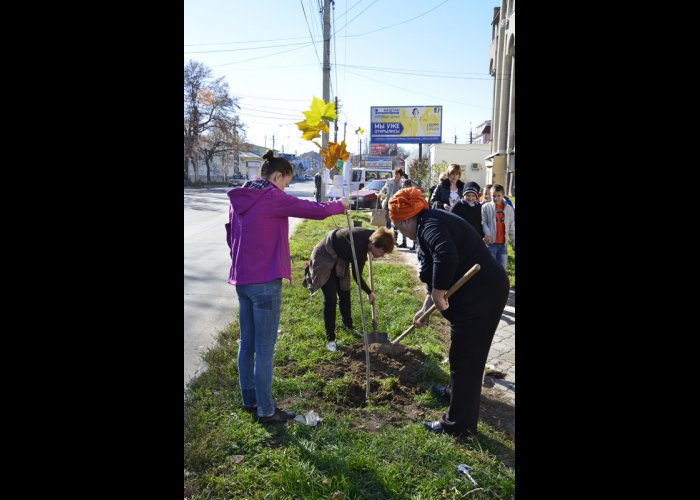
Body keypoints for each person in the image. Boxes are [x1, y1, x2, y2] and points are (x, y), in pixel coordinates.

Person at [225, 151, 348, 424]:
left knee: (247, 344)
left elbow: (230, 235)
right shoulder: (271, 196)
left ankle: (250, 400)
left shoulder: (240, 198)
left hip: (242, 280)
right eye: (286, 183)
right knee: (265, 350)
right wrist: (341, 205)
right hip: (265, 282)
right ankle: (266, 410)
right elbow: (312, 210)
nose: (286, 189)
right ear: (277, 176)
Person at [388, 187, 509, 437]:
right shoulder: (429, 223)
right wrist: (426, 306)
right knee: (462, 353)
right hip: (476, 295)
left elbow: (445, 255)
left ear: (409, 218)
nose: (402, 233)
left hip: (482, 296)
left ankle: (458, 425)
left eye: (400, 226)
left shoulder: (429, 224)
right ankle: (455, 394)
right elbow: (435, 268)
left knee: (467, 358)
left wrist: (438, 293)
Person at [303, 227, 395, 351]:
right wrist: (369, 292)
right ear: (373, 244)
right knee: (330, 299)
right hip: (325, 254)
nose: (382, 255)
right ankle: (330, 339)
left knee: (344, 291)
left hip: (341, 257)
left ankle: (348, 325)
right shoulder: (359, 248)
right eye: (382, 252)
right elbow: (357, 276)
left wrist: (369, 292)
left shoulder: (375, 235)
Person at [481, 183, 515, 270]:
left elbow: (511, 226)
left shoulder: (509, 209)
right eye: (493, 195)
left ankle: (502, 284)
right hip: (491, 243)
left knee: (503, 269)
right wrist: (487, 234)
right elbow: (484, 222)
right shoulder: (485, 207)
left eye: (498, 196)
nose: (495, 198)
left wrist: (514, 241)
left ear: (503, 195)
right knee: (491, 268)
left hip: (503, 244)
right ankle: (490, 283)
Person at [379, 167, 407, 247]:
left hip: (398, 205)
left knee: (397, 223)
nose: (395, 175)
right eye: (395, 173)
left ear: (400, 175)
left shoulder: (403, 183)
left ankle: (397, 240)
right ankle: (389, 240)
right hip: (388, 203)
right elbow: (383, 189)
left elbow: (405, 192)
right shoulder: (389, 181)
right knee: (388, 222)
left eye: (397, 174)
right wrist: (380, 194)